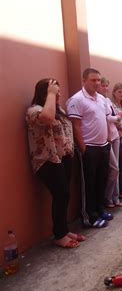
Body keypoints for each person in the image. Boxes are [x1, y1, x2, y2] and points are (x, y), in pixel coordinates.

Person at [27, 79, 85, 248]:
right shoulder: (34, 110)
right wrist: (51, 94)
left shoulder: (58, 109)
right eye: (54, 91)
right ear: (43, 94)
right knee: (61, 193)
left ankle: (64, 230)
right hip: (47, 160)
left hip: (64, 158)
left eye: (58, 91)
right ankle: (59, 235)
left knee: (64, 195)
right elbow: (46, 117)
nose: (58, 94)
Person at [67, 68, 112, 228]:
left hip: (104, 146)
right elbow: (76, 126)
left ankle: (100, 210)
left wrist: (107, 141)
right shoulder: (77, 100)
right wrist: (84, 148)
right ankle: (89, 217)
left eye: (98, 80)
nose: (97, 83)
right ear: (84, 80)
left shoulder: (101, 99)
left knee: (102, 180)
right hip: (89, 148)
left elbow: (105, 120)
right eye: (93, 80)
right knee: (89, 184)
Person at [98, 78, 122, 208]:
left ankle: (115, 196)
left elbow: (112, 116)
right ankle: (107, 198)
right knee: (113, 169)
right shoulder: (97, 100)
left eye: (107, 85)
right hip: (105, 138)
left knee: (116, 168)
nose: (105, 88)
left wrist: (118, 119)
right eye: (103, 85)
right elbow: (107, 117)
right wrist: (117, 118)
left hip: (114, 135)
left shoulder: (107, 100)